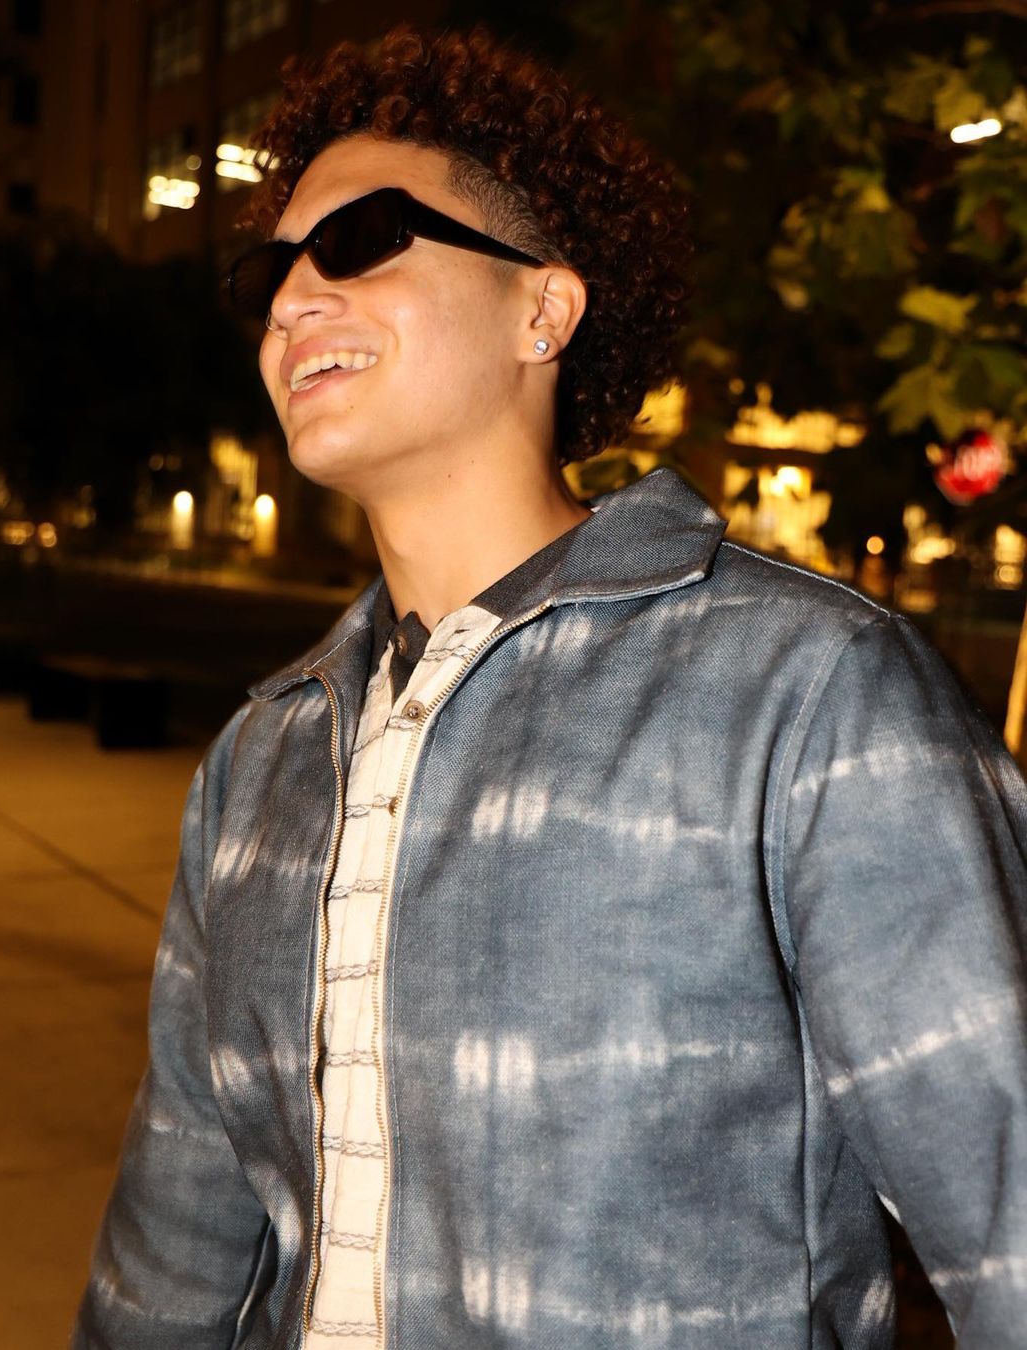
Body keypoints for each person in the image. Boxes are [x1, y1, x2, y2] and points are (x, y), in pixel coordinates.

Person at [73, 24, 1027, 1350]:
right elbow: (170, 1247)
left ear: (545, 310)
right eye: (271, 270)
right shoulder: (262, 756)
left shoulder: (804, 691)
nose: (292, 301)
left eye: (361, 241)